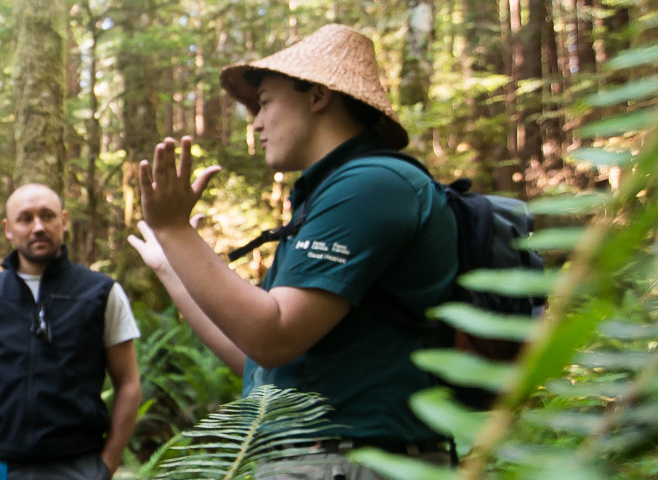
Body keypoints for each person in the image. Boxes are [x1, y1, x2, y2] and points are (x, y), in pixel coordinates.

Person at [127, 24, 459, 478]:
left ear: (318, 95)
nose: (256, 122)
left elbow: (273, 335)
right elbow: (253, 356)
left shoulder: (373, 185)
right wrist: (171, 265)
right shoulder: (333, 194)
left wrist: (175, 229)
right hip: (325, 460)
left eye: (263, 102)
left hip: (357, 462)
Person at [0, 183, 143, 480]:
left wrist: (106, 465)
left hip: (78, 466)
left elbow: (128, 383)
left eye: (47, 216)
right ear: (8, 228)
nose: (38, 227)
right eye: (25, 218)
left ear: (64, 221)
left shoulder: (101, 293)